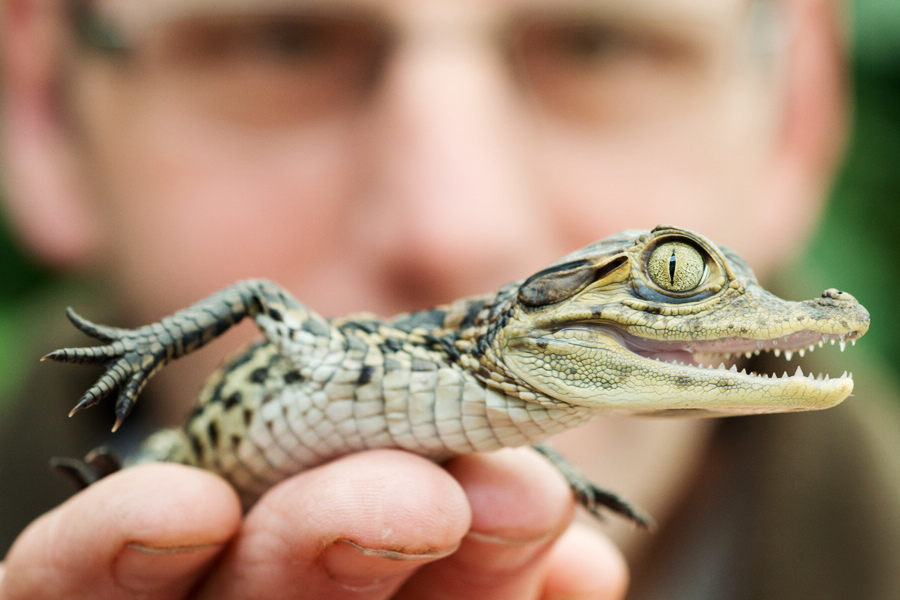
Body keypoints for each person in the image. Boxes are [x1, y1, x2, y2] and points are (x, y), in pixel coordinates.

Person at [1, 0, 898, 598]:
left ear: (800, 110)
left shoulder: (511, 411)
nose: (451, 229)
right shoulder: (413, 369)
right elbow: (263, 301)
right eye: (281, 37)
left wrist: (558, 467)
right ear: (40, 101)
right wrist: (139, 350)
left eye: (601, 40)